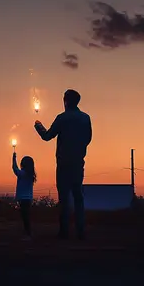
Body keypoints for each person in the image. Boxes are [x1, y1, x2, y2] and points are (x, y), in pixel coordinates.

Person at [34, 89, 92, 239]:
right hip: (78, 162)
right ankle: (81, 231)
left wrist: (38, 126)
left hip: (63, 164)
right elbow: (88, 139)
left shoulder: (62, 118)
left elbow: (47, 136)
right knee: (78, 197)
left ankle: (64, 231)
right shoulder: (85, 118)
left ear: (66, 101)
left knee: (64, 198)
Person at [12, 149, 36, 239]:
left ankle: (28, 233)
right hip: (28, 199)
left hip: (23, 199)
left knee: (25, 216)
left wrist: (14, 158)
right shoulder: (30, 175)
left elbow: (15, 169)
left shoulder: (23, 174)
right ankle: (27, 232)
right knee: (26, 215)